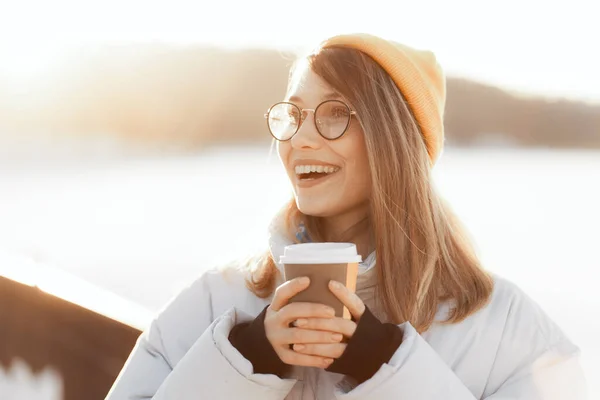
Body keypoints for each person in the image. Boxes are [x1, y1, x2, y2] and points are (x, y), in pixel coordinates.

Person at [105, 33, 587, 399]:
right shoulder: (218, 300)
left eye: (334, 113)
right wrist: (247, 358)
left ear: (392, 139)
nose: (300, 140)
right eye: (291, 116)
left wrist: (386, 365)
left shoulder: (503, 326)